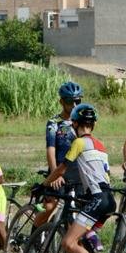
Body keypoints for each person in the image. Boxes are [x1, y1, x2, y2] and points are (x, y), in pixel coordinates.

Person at [41, 104, 119, 253]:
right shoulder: (100, 145)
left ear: (75, 124)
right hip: (109, 200)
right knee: (83, 238)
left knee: (68, 243)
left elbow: (62, 169)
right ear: (93, 125)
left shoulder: (78, 142)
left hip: (97, 199)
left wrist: (44, 184)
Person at [36, 81, 83, 230]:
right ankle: (33, 239)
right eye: (70, 101)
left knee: (78, 210)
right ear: (61, 102)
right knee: (49, 206)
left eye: (77, 101)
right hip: (58, 169)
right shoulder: (54, 123)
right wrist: (55, 174)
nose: (74, 105)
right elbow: (51, 149)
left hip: (77, 173)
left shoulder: (82, 122)